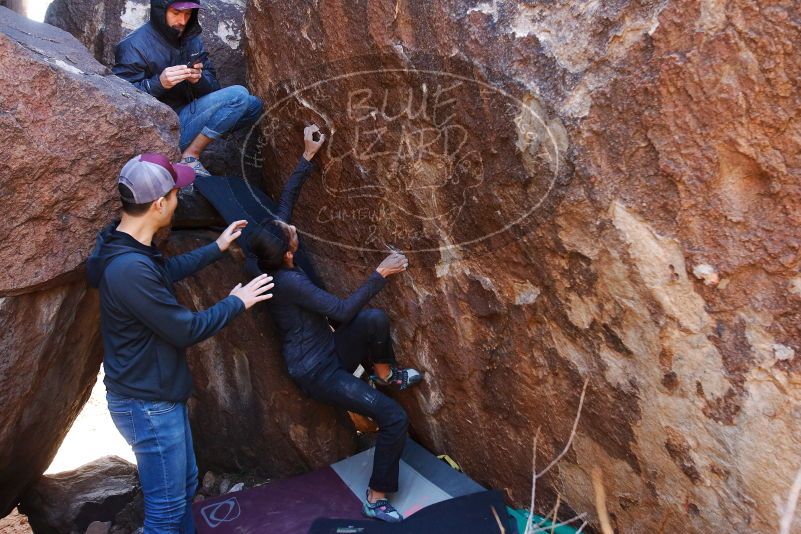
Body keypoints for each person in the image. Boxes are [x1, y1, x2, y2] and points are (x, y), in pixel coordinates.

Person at [86, 153, 274, 534]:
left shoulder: (123, 244)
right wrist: (237, 301)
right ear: (159, 204)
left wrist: (217, 246)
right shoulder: (128, 268)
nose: (178, 200)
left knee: (183, 488)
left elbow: (163, 273)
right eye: (175, 194)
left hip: (153, 397)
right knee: (164, 514)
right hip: (148, 405)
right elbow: (185, 329)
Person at [249, 125, 423, 523]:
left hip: (324, 351)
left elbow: (283, 210)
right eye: (292, 236)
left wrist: (307, 156)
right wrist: (381, 273)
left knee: (375, 320)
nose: (293, 229)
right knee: (394, 418)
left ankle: (385, 374)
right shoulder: (289, 281)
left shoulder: (264, 256)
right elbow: (342, 312)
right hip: (317, 372)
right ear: (290, 253)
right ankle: (377, 497)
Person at [112, 0, 263, 176]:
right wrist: (157, 84)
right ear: (161, 11)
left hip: (189, 114)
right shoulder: (133, 45)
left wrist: (198, 80)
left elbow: (214, 88)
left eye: (188, 14)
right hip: (160, 129)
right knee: (239, 95)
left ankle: (196, 143)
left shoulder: (192, 39)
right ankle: (190, 155)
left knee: (254, 106)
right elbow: (121, 102)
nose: (183, 21)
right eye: (176, 13)